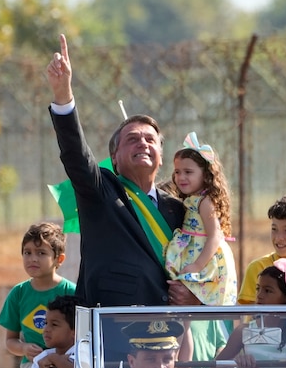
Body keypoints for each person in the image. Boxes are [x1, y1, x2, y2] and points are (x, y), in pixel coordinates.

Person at [44, 34, 199, 309]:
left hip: (166, 331)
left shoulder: (178, 209)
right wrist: (63, 95)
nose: (143, 143)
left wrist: (196, 296)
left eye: (150, 140)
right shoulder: (101, 190)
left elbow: (199, 261)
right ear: (114, 158)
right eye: (132, 139)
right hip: (112, 324)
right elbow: (76, 154)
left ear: (161, 157)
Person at [0, 222, 76, 368]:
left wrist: (60, 360)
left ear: (59, 259)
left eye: (41, 253)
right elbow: (10, 341)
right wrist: (24, 349)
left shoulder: (72, 292)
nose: (33, 258)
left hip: (68, 362)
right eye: (27, 253)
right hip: (32, 366)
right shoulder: (18, 293)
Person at [163, 132, 237, 306]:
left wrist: (197, 266)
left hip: (203, 259)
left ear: (205, 175)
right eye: (177, 172)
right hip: (193, 255)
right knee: (182, 314)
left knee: (188, 310)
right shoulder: (193, 199)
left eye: (188, 172)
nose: (181, 177)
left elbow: (215, 235)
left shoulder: (204, 201)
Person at [215, 259, 286, 368]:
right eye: (258, 289)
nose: (259, 295)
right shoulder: (243, 331)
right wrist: (236, 362)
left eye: (267, 290)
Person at [28, 295, 81, 368]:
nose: (46, 329)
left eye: (54, 325)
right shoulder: (41, 358)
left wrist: (54, 359)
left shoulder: (83, 352)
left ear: (75, 331)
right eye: (46, 323)